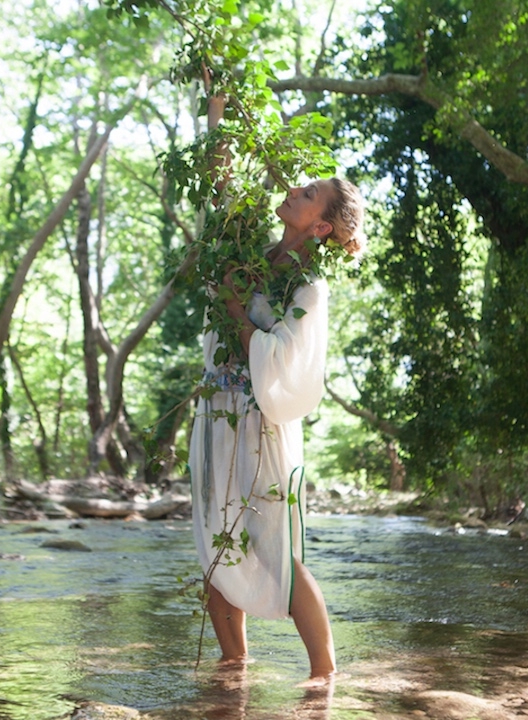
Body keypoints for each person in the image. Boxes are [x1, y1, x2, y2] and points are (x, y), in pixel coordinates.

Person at [188, 92, 366, 684]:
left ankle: (324, 677)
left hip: (261, 422)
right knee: (214, 543)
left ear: (320, 224)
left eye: (308, 192)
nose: (295, 189)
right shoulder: (246, 249)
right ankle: (232, 669)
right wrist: (216, 116)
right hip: (216, 410)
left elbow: (282, 360)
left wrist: (238, 310)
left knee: (274, 550)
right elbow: (218, 199)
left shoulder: (308, 289)